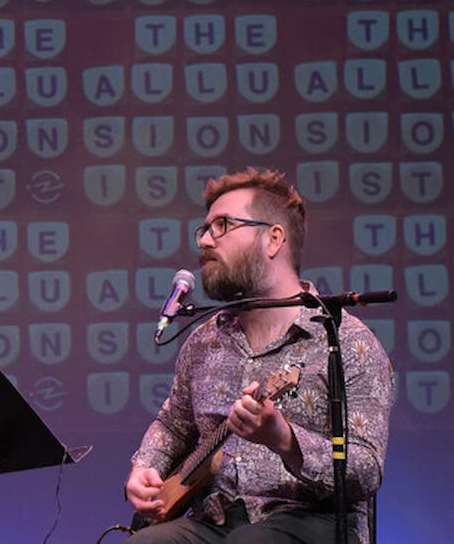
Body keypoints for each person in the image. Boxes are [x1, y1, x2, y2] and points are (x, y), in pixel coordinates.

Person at [124, 168, 394, 543]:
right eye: (203, 229)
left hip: (310, 520)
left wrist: (285, 439)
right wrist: (145, 469)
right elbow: (173, 424)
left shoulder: (346, 342)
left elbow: (366, 469)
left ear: (273, 239)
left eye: (222, 225)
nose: (204, 241)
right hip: (216, 520)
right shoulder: (205, 342)